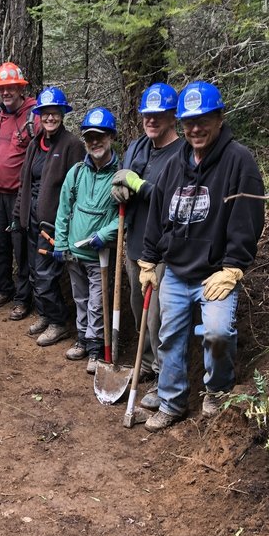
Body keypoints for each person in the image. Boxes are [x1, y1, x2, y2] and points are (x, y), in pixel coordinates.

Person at [139, 81, 265, 432]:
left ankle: (218, 391)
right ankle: (172, 402)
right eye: (188, 122)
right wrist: (149, 260)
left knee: (218, 333)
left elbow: (248, 218)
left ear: (219, 118)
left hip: (216, 272)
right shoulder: (176, 163)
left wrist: (234, 266)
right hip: (177, 271)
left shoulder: (239, 161)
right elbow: (157, 213)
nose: (195, 128)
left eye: (203, 119)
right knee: (170, 337)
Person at [110, 83, 184, 409]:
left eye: (158, 114)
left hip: (164, 251)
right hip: (135, 243)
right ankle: (148, 364)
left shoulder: (182, 154)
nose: (151, 119)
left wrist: (141, 186)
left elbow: (175, 201)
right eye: (146, 114)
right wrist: (120, 189)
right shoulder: (137, 147)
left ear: (172, 116)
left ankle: (163, 377)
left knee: (158, 319)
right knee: (137, 309)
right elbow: (123, 180)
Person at [13, 87, 86, 347]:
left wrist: (67, 225)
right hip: (30, 217)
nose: (50, 118)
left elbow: (78, 189)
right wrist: (17, 214)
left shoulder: (73, 145)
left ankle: (58, 322)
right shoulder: (35, 143)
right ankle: (45, 314)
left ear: (62, 115)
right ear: (39, 116)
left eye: (55, 113)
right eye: (46, 114)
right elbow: (24, 182)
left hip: (53, 223)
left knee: (46, 275)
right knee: (34, 271)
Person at [53, 107, 121, 375]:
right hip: (74, 253)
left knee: (97, 303)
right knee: (80, 300)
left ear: (111, 137)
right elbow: (64, 209)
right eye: (90, 137)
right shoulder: (77, 173)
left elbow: (124, 219)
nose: (95, 142)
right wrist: (60, 243)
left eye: (100, 136)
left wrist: (104, 235)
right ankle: (83, 340)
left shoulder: (119, 176)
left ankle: (96, 349)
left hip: (100, 255)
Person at [0, 62, 41, 321]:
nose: (6, 92)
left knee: (21, 248)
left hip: (20, 194)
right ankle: (4, 289)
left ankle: (22, 298)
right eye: (2, 88)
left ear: (21, 88)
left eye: (11, 88)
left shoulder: (34, 117)